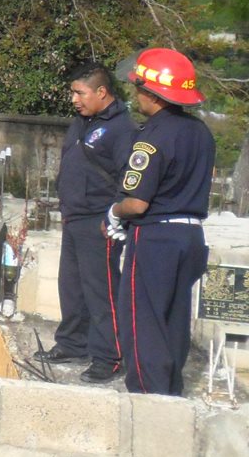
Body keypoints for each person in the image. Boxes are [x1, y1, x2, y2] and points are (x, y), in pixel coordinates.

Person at [107, 48, 214, 396]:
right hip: (191, 237)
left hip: (156, 238)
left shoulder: (152, 137)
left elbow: (137, 203)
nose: (136, 94)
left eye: (139, 87)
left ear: (153, 94)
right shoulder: (200, 132)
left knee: (143, 321)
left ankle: (147, 396)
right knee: (174, 319)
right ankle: (170, 392)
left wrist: (114, 212)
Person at [34, 62, 135, 383]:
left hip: (100, 220)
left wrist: (115, 216)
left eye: (80, 93)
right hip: (74, 215)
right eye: (72, 92)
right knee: (72, 286)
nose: (74, 99)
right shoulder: (81, 122)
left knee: (101, 291)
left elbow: (128, 177)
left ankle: (109, 357)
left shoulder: (122, 127)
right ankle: (73, 343)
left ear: (101, 92)